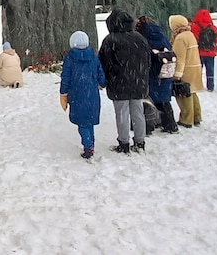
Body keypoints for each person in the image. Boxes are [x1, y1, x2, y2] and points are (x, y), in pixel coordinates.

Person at [98, 10, 152, 154]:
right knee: (138, 112)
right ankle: (140, 142)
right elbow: (148, 60)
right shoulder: (140, 38)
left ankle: (124, 142)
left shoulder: (110, 40)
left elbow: (104, 63)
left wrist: (104, 79)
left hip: (119, 83)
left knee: (122, 113)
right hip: (138, 81)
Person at [59, 31, 107, 159]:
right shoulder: (94, 57)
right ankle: (91, 143)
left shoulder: (70, 59)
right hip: (92, 94)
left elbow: (66, 77)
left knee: (82, 123)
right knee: (89, 120)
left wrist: (63, 92)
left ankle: (88, 146)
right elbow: (101, 74)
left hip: (77, 95)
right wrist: (102, 83)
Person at [136, 15, 178, 133]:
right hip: (165, 72)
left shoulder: (143, 36)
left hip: (151, 73)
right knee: (164, 100)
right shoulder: (161, 34)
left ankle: (149, 125)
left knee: (148, 100)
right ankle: (170, 124)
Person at [168, 15, 204, 128]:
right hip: (195, 67)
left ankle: (186, 119)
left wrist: (177, 74)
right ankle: (196, 116)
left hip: (186, 70)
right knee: (192, 92)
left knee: (184, 95)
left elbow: (180, 58)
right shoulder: (190, 34)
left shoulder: (180, 38)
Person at [191, 9, 217, 92]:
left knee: (198, 70)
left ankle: (198, 85)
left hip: (199, 52)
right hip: (211, 53)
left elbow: (194, 38)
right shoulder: (213, 27)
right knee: (210, 70)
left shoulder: (194, 27)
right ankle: (210, 86)